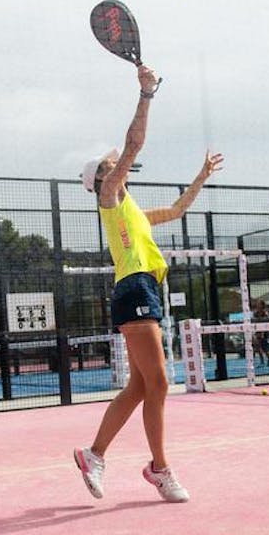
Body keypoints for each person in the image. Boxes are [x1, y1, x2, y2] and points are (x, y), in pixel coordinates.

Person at [73, 64, 223, 504]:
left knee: (142, 386)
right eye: (108, 163)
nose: (116, 162)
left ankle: (94, 454)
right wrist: (147, 94)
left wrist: (200, 177)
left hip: (143, 291)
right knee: (158, 384)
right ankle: (159, 469)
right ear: (101, 178)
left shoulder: (132, 209)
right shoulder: (110, 196)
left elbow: (176, 210)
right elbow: (134, 142)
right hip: (135, 289)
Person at [251, 299, 269, 367]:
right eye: (257, 304)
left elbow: (268, 320)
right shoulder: (255, 313)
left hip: (265, 331)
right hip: (258, 330)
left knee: (265, 348)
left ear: (262, 305)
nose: (257, 305)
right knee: (258, 346)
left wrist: (263, 333)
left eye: (259, 304)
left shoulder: (265, 313)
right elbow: (253, 321)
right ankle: (262, 361)